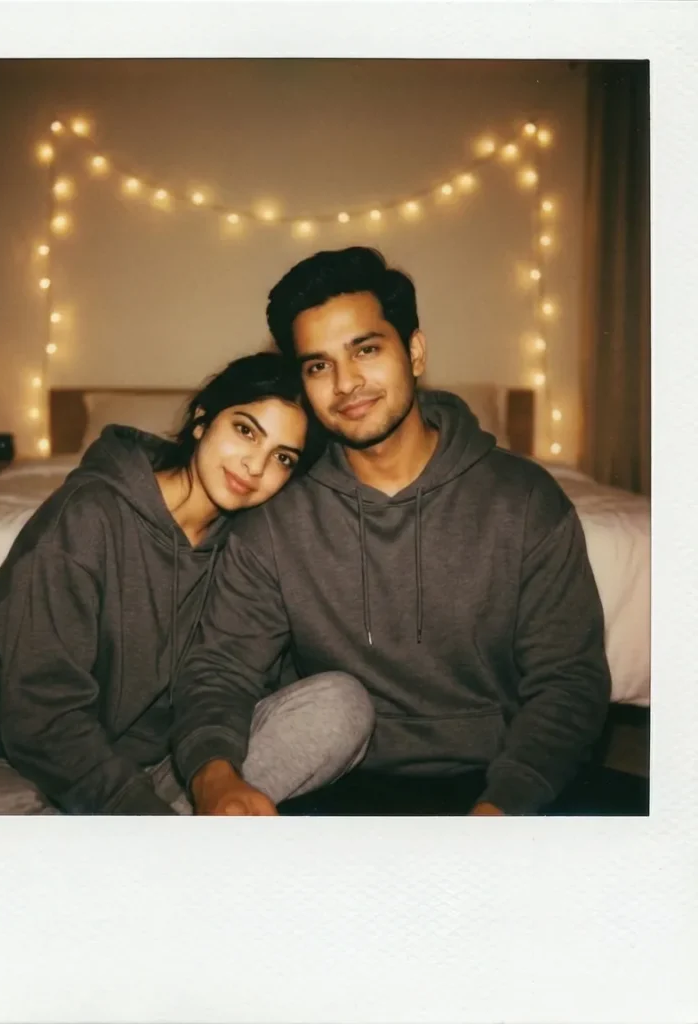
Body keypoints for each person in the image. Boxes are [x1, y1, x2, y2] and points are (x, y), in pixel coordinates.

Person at [170, 247, 612, 817]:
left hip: (498, 782)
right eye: (319, 366)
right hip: (337, 779)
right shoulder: (276, 517)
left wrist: (503, 807)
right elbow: (220, 670)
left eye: (366, 350)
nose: (347, 383)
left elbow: (568, 682)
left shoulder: (524, 500)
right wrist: (213, 780)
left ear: (415, 352)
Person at [0, 351, 375, 816]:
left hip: (170, 768)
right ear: (202, 421)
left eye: (282, 457)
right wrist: (145, 819)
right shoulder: (87, 517)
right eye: (245, 430)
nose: (254, 466)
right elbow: (42, 718)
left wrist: (209, 778)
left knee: (341, 703)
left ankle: (149, 843)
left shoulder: (253, 542)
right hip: (23, 764)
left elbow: (234, 680)